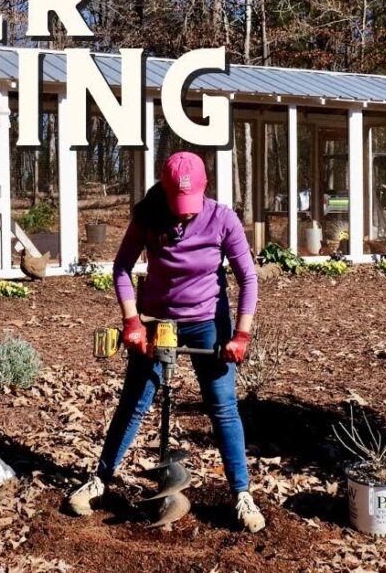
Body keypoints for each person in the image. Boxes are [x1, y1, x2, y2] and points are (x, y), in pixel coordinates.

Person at [67, 151, 264, 533]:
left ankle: (241, 494)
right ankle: (100, 481)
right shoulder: (148, 215)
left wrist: (241, 334)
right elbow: (122, 267)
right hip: (158, 322)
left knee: (223, 407)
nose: (184, 213)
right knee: (135, 403)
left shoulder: (222, 218)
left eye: (190, 206)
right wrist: (132, 322)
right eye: (178, 204)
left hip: (208, 322)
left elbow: (248, 278)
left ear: (204, 190)